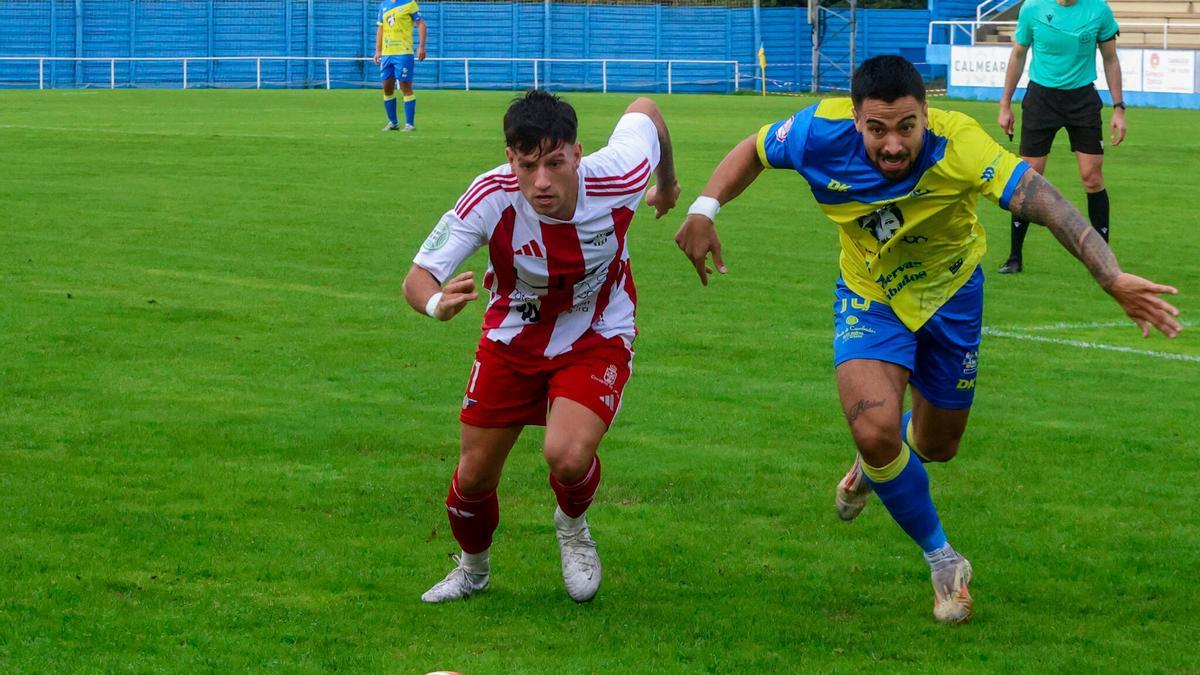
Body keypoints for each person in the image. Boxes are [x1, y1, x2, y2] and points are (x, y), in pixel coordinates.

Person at [674, 55, 1179, 623]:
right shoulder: (817, 131)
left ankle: (875, 466)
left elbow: (1046, 201)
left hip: (953, 296)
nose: (893, 144)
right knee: (872, 427)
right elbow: (754, 149)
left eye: (907, 127)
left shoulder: (959, 141)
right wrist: (703, 207)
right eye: (877, 129)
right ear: (856, 119)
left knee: (937, 446)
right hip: (871, 296)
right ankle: (944, 560)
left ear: (925, 115)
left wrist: (1108, 273)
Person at [404, 90, 680, 603]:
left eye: (555, 162)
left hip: (598, 331)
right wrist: (437, 304)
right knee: (474, 476)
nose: (542, 181)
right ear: (511, 159)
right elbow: (418, 277)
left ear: (578, 153)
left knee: (567, 456)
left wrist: (667, 184)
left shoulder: (619, 173)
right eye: (528, 165)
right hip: (513, 336)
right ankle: (473, 569)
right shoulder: (490, 195)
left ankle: (572, 526)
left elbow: (645, 110)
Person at [997, 0, 1126, 273]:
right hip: (1041, 98)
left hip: (1082, 98)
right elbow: (1018, 55)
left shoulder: (1098, 10)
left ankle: (1102, 260)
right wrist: (1005, 105)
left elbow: (1111, 59)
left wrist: (1118, 108)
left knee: (1092, 178)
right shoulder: (1032, 8)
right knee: (1028, 177)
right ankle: (1014, 256)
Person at [373, 0, 427, 132]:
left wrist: (421, 46)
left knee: (405, 86)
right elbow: (380, 28)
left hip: (403, 52)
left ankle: (409, 124)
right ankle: (393, 122)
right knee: (386, 87)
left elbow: (421, 24)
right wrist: (378, 50)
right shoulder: (384, 5)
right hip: (387, 54)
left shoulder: (409, 3)